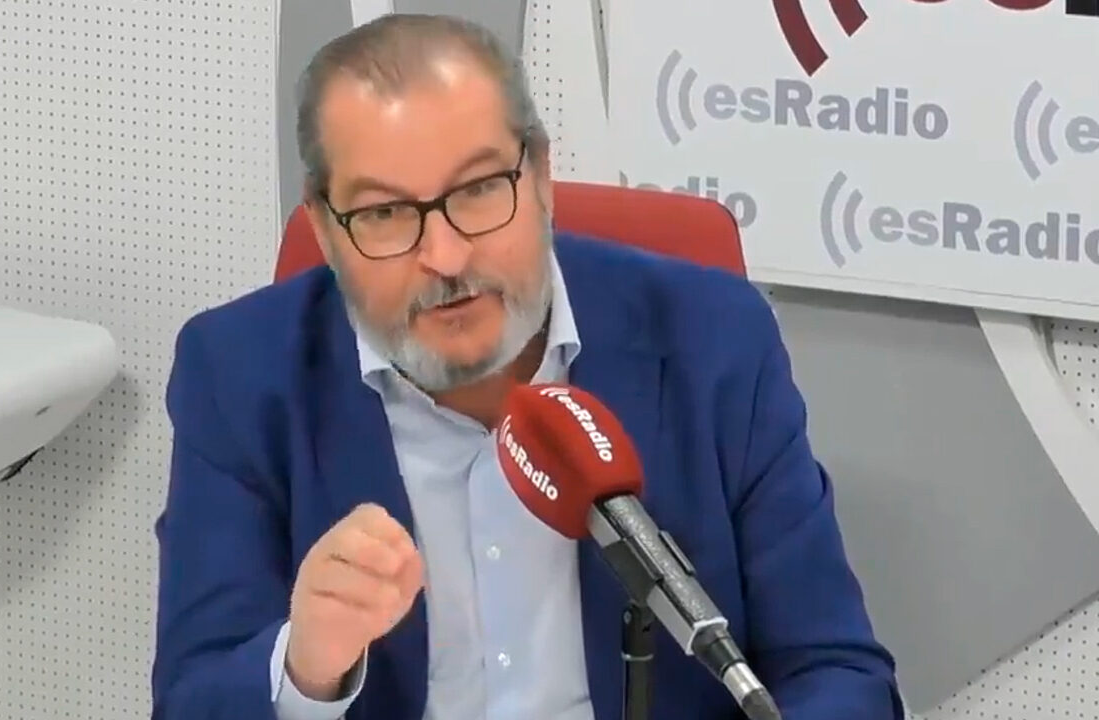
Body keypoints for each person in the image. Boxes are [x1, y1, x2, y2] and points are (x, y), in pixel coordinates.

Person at [151, 12, 904, 720]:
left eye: (480, 190)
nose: (445, 257)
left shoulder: (714, 339)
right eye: (383, 213)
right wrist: (305, 666)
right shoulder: (239, 373)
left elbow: (836, 672)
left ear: (540, 176)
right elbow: (191, 699)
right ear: (324, 227)